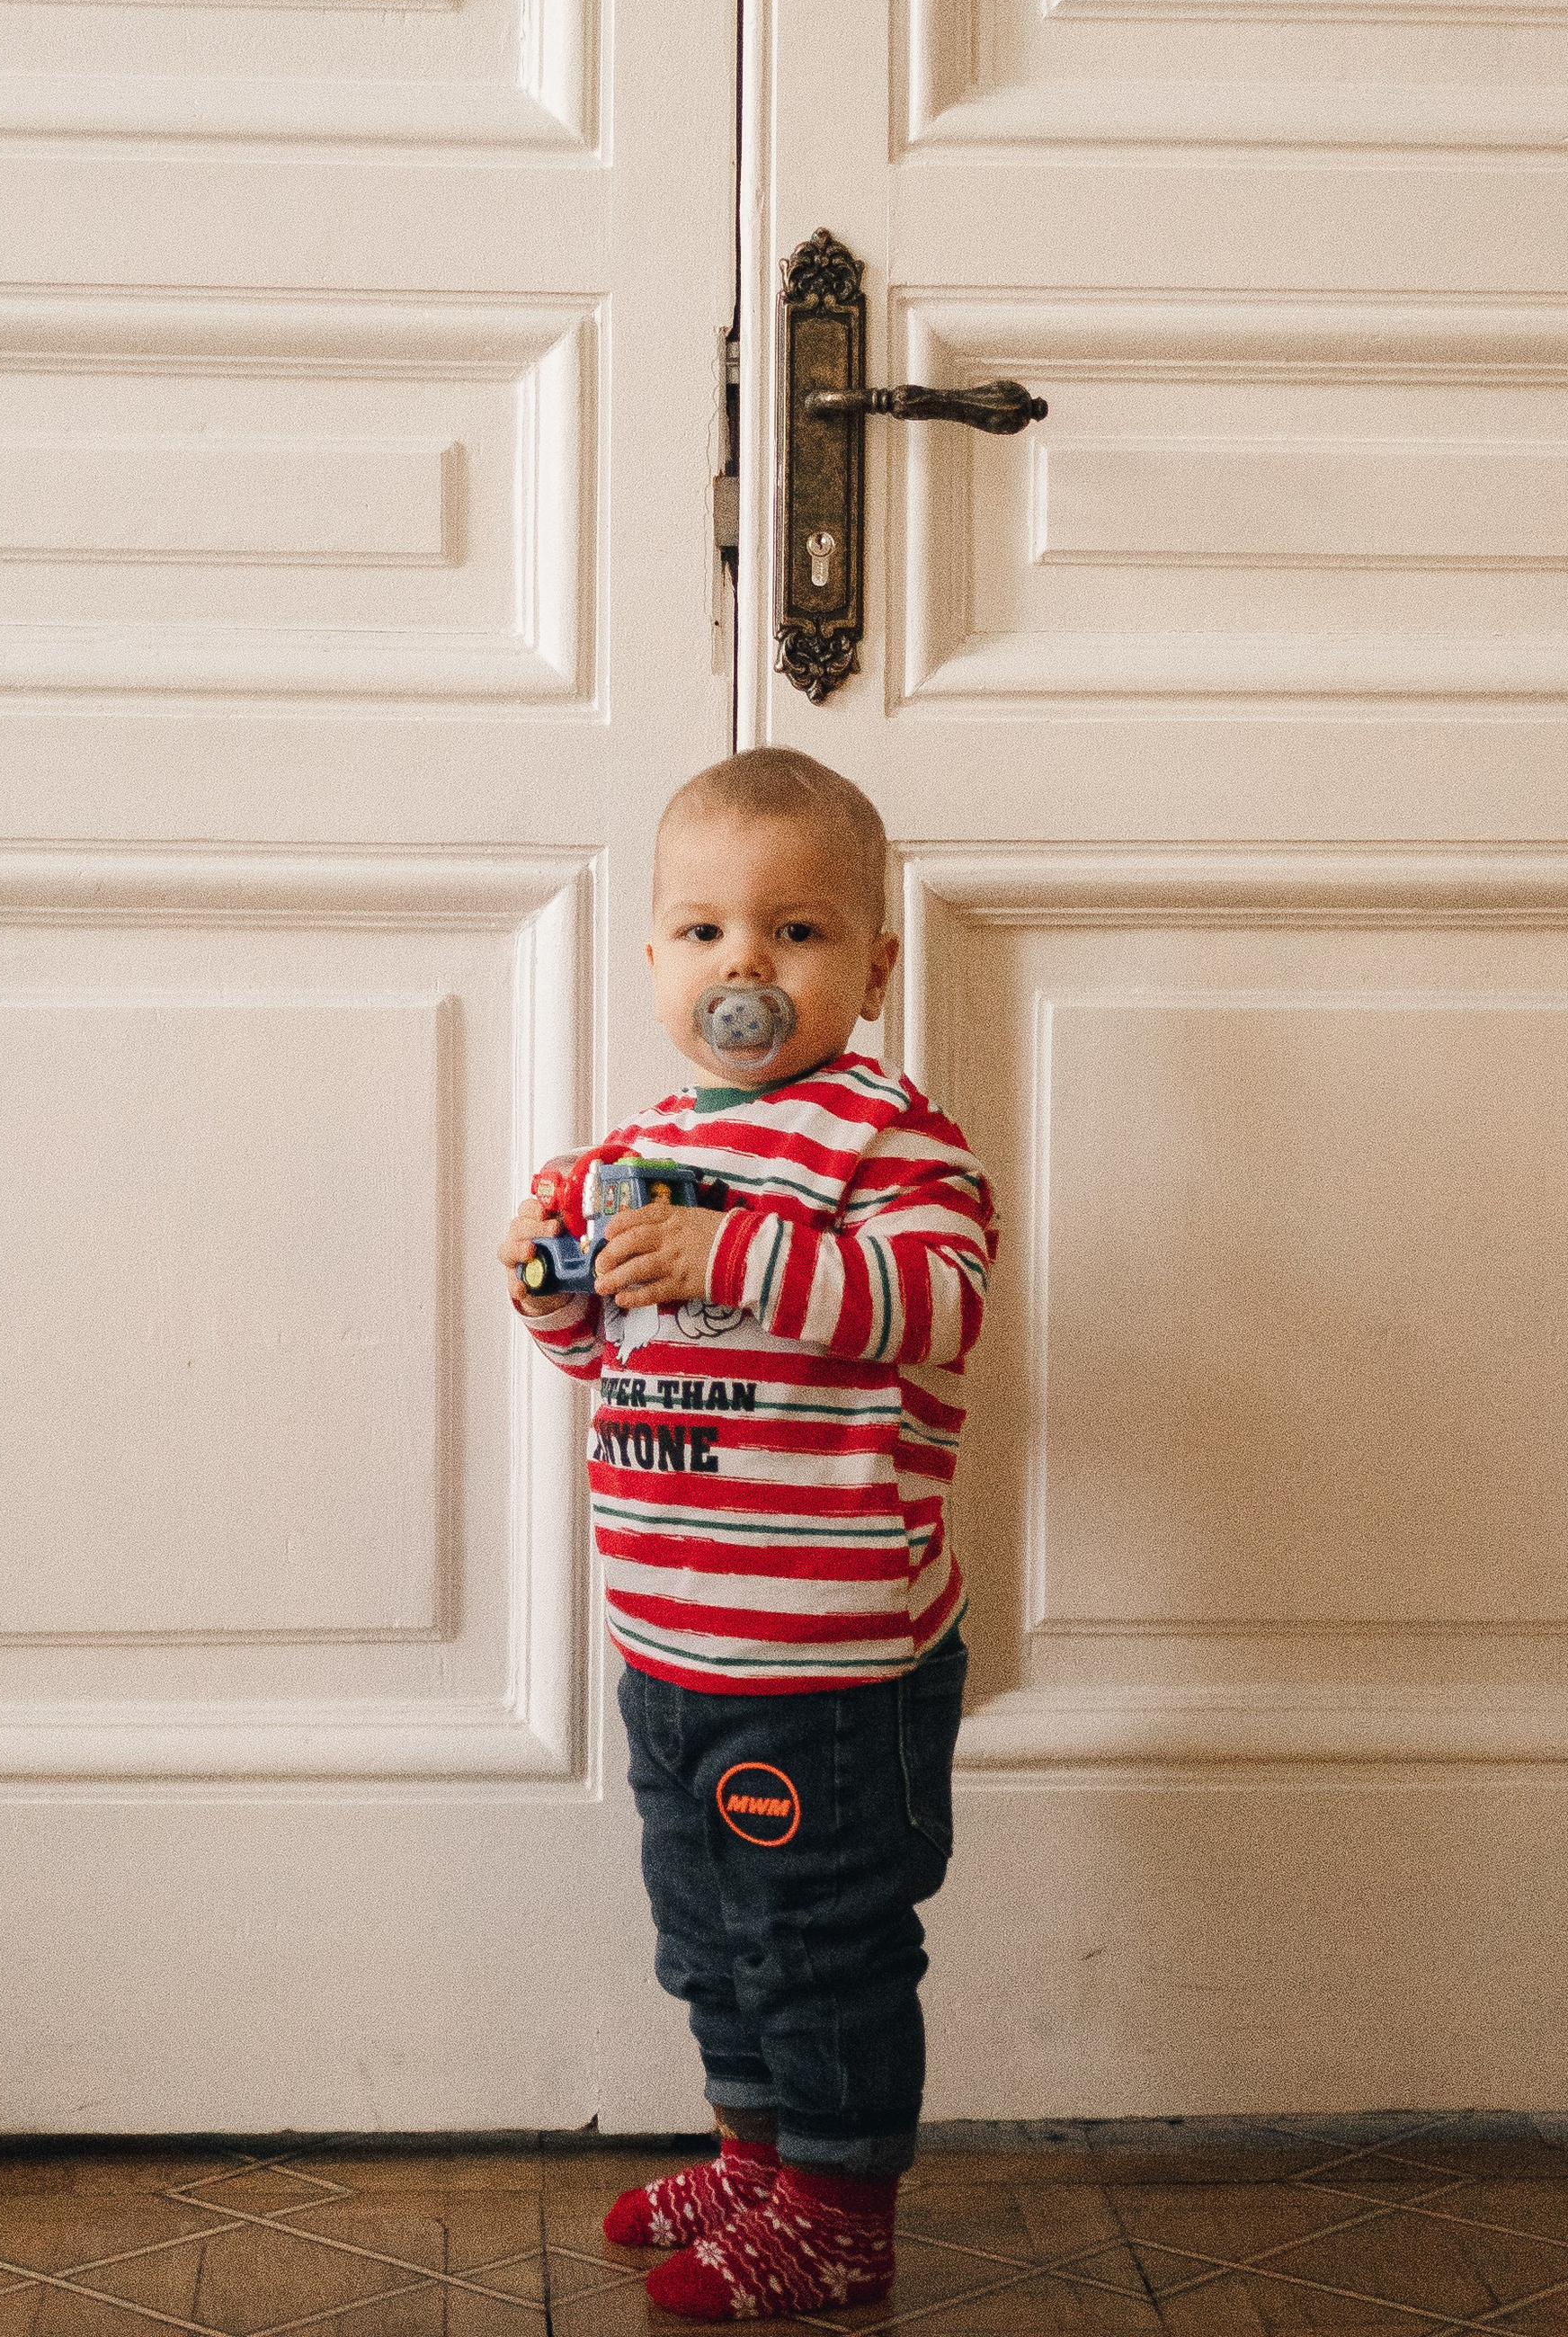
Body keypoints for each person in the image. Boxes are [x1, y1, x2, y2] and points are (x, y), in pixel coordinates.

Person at [500, 747, 999, 2323]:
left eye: (796, 933)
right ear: (655, 960)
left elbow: (938, 1304)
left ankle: (841, 2208)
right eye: (708, 933)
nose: (748, 968)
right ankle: (760, 2155)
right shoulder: (639, 1147)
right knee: (711, 1937)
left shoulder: (887, 1139)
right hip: (674, 1640)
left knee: (822, 1938)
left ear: (873, 964)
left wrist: (736, 1252)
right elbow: (617, 1364)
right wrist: (556, 1287)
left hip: (830, 1656)